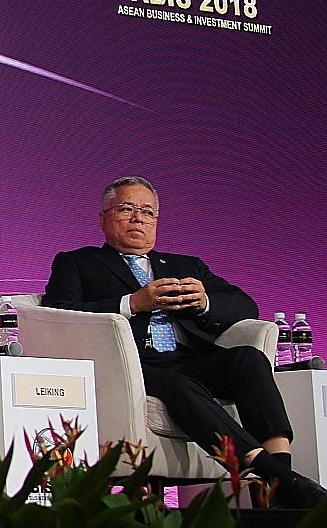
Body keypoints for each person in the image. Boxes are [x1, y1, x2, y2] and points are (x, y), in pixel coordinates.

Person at [44, 175, 325, 508]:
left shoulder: (184, 265)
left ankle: (282, 479)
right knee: (179, 385)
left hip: (187, 357)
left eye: (147, 212)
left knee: (249, 358)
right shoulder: (78, 262)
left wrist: (204, 301)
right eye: (126, 208)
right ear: (103, 218)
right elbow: (59, 312)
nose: (138, 217)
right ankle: (272, 473)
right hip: (130, 363)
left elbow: (245, 305)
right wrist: (132, 303)